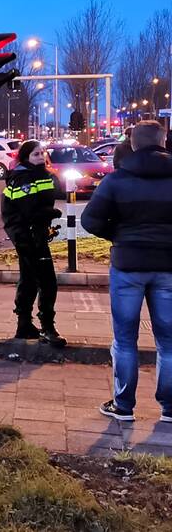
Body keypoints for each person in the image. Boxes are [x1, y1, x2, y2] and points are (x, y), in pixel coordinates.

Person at [81, 120, 172, 423]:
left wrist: (119, 236)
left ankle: (124, 406)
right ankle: (170, 408)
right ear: (164, 140)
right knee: (169, 341)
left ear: (133, 144)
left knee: (124, 339)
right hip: (168, 267)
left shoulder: (117, 180)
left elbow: (90, 221)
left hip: (128, 266)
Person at [1, 140, 67, 346]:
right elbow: (29, 210)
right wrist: (52, 213)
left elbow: (53, 194)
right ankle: (48, 327)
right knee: (47, 281)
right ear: (25, 157)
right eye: (36, 154)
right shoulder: (24, 178)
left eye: (42, 153)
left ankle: (24, 325)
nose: (41, 157)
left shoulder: (39, 174)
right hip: (28, 235)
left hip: (31, 233)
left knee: (29, 277)